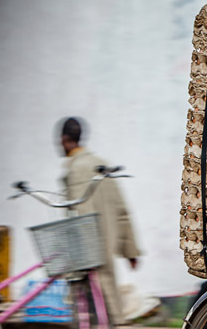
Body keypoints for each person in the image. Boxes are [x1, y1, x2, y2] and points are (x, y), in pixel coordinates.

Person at [59, 117, 142, 326]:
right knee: (110, 308)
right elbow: (121, 210)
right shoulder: (100, 164)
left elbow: (77, 215)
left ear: (64, 139)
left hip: (88, 251)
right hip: (105, 250)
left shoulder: (75, 170)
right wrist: (129, 250)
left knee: (89, 311)